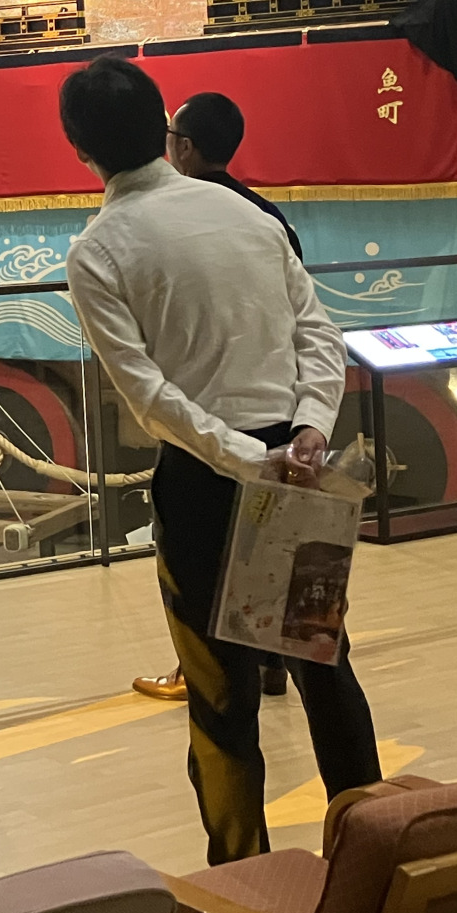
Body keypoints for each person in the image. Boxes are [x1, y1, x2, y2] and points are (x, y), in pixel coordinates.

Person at [62, 57, 380, 865]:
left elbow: (149, 397)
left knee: (220, 698)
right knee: (323, 667)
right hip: (295, 463)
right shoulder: (247, 214)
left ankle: (243, 875)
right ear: (163, 128)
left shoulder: (97, 250)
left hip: (205, 482)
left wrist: (244, 458)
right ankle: (377, 848)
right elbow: (319, 332)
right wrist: (307, 429)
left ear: (79, 149)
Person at [135, 92, 297, 703]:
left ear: (183, 147)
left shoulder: (178, 219)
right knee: (270, 549)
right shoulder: (266, 215)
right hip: (275, 406)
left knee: (203, 560)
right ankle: (274, 663)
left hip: (208, 417)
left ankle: (204, 672)